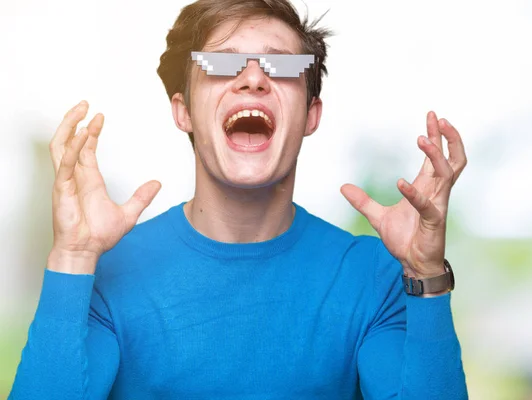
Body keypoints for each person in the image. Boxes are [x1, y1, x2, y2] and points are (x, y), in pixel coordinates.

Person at [10, 0, 468, 398]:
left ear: (310, 115)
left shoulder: (375, 275)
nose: (252, 80)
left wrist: (424, 275)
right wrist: (71, 257)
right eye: (220, 63)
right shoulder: (110, 272)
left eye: (282, 66)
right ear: (183, 111)